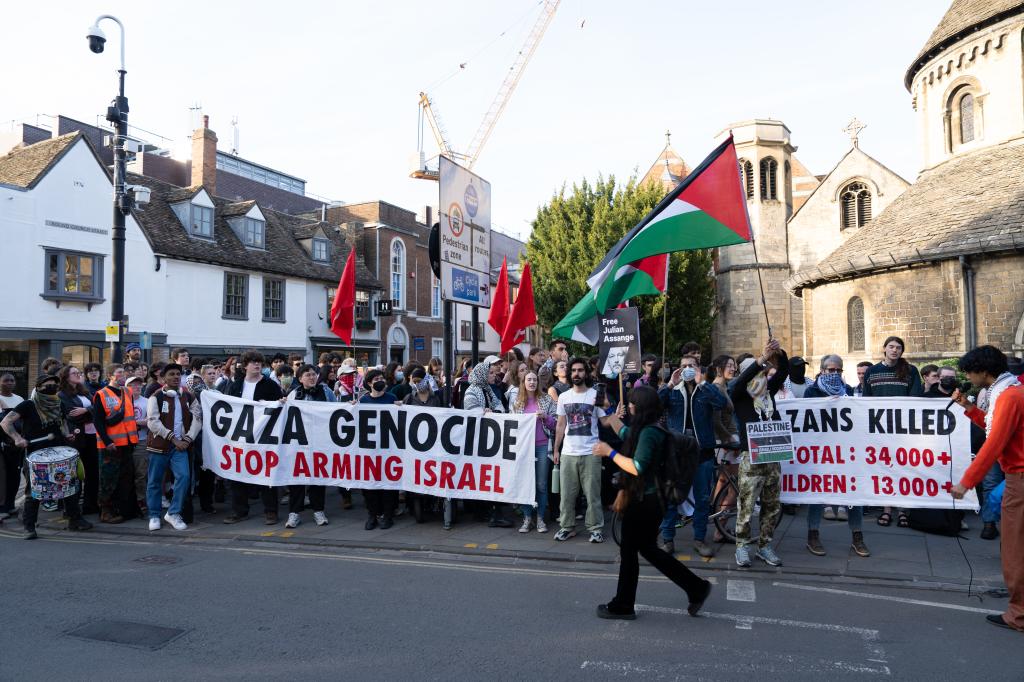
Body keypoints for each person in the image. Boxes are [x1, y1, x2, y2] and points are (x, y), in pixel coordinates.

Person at [592, 385, 712, 620]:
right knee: (647, 549)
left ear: (641, 407)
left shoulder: (649, 433)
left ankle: (623, 605)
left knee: (630, 551)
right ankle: (695, 588)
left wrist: (609, 452)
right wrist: (611, 415)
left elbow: (637, 467)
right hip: (648, 501)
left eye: (633, 403)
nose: (630, 406)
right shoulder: (646, 430)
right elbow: (626, 433)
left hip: (645, 502)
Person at [949, 345, 1024, 632]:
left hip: (1019, 478)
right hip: (1017, 475)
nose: (967, 375)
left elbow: (994, 443)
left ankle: (1018, 614)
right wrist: (969, 408)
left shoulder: (1007, 397)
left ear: (983, 371)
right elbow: (997, 429)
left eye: (969, 370)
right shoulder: (1011, 391)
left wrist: (966, 482)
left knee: (1015, 548)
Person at [1, 374, 93, 538]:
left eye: (54, 385)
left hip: (58, 451)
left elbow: (62, 422)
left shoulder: (58, 403)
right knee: (34, 490)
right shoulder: (28, 405)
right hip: (36, 454)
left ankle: (74, 520)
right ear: (38, 387)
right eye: (47, 384)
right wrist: (18, 438)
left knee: (68, 485)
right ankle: (29, 527)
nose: (51, 387)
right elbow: (5, 422)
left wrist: (67, 434)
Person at [659, 354, 728, 557]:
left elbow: (722, 404)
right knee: (671, 497)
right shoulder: (672, 391)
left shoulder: (706, 390)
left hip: (702, 453)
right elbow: (655, 404)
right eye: (684, 366)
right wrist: (671, 384)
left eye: (692, 366)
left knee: (702, 498)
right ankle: (668, 540)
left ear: (698, 369)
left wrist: (702, 384)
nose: (688, 369)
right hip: (677, 453)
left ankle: (699, 539)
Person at [801, 355, 870, 557]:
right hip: (821, 452)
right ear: (822, 371)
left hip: (845, 451)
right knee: (817, 494)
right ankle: (813, 534)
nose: (834, 374)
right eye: (830, 370)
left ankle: (857, 536)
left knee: (852, 493)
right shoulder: (811, 391)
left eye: (838, 371)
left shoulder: (847, 391)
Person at [730, 339, 789, 567]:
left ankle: (765, 546)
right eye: (755, 367)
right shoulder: (740, 395)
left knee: (771, 505)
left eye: (762, 368)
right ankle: (742, 547)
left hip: (772, 456)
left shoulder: (768, 391)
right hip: (751, 457)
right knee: (746, 505)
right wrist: (760, 359)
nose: (761, 371)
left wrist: (777, 352)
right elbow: (738, 383)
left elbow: (784, 370)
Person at [864, 336, 923, 528]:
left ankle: (903, 510)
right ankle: (886, 509)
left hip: (903, 430)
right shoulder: (872, 372)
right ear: (884, 349)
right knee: (884, 469)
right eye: (891, 347)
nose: (895, 350)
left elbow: (915, 399)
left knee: (903, 469)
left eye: (898, 347)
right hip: (879, 429)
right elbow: (866, 400)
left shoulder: (911, 371)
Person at [553, 357, 612, 543]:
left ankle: (595, 528)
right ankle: (567, 527)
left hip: (591, 453)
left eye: (580, 370)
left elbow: (604, 422)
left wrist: (614, 414)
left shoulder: (595, 395)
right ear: (570, 374)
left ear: (586, 373)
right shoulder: (563, 397)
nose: (576, 373)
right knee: (567, 495)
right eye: (573, 371)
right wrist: (556, 449)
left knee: (592, 494)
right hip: (568, 453)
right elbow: (561, 425)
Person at [223, 351, 283, 525]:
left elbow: (279, 407)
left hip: (264, 437)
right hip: (241, 438)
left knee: (266, 474)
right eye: (253, 362)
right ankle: (239, 511)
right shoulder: (236, 386)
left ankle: (271, 511)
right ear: (245, 365)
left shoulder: (270, 385)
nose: (257, 365)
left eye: (259, 362)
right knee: (237, 476)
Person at [145, 363, 200, 532]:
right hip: (159, 446)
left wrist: (188, 439)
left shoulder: (188, 396)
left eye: (178, 374)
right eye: (171, 374)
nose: (176, 377)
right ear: (164, 378)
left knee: (183, 478)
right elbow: (153, 422)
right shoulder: (156, 396)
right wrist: (173, 439)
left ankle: (173, 513)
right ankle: (154, 515)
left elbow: (197, 418)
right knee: (155, 481)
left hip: (180, 447)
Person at [283, 364, 336, 529]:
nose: (312, 377)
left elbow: (337, 410)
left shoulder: (326, 392)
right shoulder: (294, 394)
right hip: (299, 443)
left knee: (318, 478)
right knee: (296, 478)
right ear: (300, 379)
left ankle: (318, 510)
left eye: (314, 374)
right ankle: (294, 513)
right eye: (308, 375)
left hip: (319, 441)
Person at [464, 357, 514, 528]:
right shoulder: (471, 391)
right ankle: (484, 512)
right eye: (491, 373)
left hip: (490, 438)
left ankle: (491, 513)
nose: (494, 375)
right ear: (482, 375)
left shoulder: (487, 390)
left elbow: (499, 407)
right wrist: (486, 411)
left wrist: (491, 411)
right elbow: (473, 412)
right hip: (479, 440)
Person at [92, 364, 140, 524]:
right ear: (111, 376)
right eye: (119, 373)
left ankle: (125, 509)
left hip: (127, 442)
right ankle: (105, 511)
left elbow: (129, 417)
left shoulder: (127, 392)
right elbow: (98, 422)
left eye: (124, 372)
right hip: (111, 445)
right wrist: (107, 441)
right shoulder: (101, 394)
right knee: (108, 479)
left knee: (126, 478)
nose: (123, 375)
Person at [511, 371, 556, 533]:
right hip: (524, 447)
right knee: (525, 483)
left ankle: (541, 518)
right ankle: (527, 517)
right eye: (528, 379)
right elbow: (511, 424)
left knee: (541, 484)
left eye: (534, 380)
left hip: (543, 445)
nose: (532, 382)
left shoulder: (546, 399)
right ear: (523, 382)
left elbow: (556, 423)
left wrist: (545, 417)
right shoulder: (516, 402)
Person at [57, 365, 101, 515]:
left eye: (79, 372)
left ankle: (91, 505)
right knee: (75, 473)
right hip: (77, 438)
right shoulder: (63, 394)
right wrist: (90, 412)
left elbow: (99, 409)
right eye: (74, 373)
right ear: (66, 376)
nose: (78, 375)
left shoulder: (84, 391)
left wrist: (86, 410)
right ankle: (72, 508)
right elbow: (72, 415)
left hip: (92, 436)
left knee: (92, 472)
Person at [359, 368, 399, 529]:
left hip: (389, 449)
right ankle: (373, 514)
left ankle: (387, 515)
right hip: (370, 450)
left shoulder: (392, 398)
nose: (379, 381)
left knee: (388, 484)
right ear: (369, 383)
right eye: (375, 379)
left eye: (381, 378)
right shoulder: (363, 401)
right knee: (369, 485)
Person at [709, 355, 740, 543]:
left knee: (723, 482)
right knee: (734, 486)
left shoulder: (722, 387)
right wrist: (730, 440)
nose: (733, 369)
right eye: (729, 366)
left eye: (734, 366)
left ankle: (719, 524)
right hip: (726, 441)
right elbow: (716, 421)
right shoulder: (717, 389)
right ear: (719, 368)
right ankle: (720, 527)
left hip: (726, 440)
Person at [0, 372, 25, 520]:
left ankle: (10, 505)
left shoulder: (19, 399)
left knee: (15, 475)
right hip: (3, 443)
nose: (10, 383)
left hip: (17, 443)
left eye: (12, 380)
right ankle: (2, 507)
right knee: (3, 476)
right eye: (6, 380)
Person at [126, 376, 150, 515]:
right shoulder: (123, 401)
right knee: (128, 473)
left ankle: (141, 500)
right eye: (133, 385)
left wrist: (133, 422)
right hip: (125, 441)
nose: (137, 387)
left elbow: (150, 420)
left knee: (141, 473)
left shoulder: (146, 402)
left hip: (141, 441)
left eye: (139, 385)